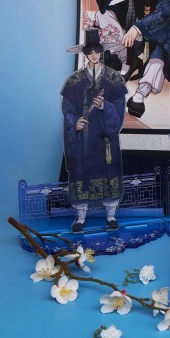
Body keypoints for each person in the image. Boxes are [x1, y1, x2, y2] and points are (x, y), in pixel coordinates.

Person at [61, 29, 127, 233]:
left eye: (97, 50)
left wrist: (104, 106)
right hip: (83, 138)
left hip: (105, 138)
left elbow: (120, 108)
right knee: (82, 172)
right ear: (85, 54)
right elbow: (67, 108)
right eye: (90, 51)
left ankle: (111, 216)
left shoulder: (114, 79)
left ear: (101, 51)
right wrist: (75, 122)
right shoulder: (74, 80)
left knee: (109, 170)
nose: (94, 55)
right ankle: (80, 217)